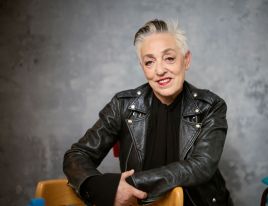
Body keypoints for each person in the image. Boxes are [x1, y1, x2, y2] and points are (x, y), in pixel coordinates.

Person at [63, 19, 233, 206]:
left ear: (186, 60)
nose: (159, 70)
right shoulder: (122, 105)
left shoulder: (211, 106)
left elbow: (202, 166)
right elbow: (77, 155)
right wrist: (103, 187)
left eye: (169, 58)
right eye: (149, 62)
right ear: (142, 67)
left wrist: (127, 185)